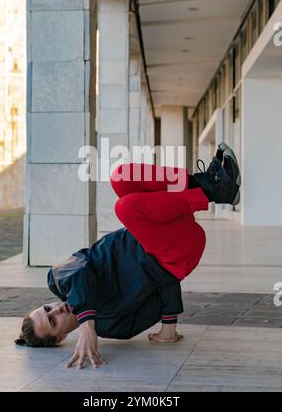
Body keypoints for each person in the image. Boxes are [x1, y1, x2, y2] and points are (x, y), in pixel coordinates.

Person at [15, 143, 241, 370]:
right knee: (125, 207)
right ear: (61, 338)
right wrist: (169, 326)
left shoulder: (58, 278)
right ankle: (213, 192)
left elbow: (81, 273)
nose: (56, 310)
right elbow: (161, 291)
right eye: (53, 321)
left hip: (164, 217)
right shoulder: (113, 327)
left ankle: (207, 183)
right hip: (174, 253)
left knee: (121, 177)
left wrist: (86, 322)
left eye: (47, 308)